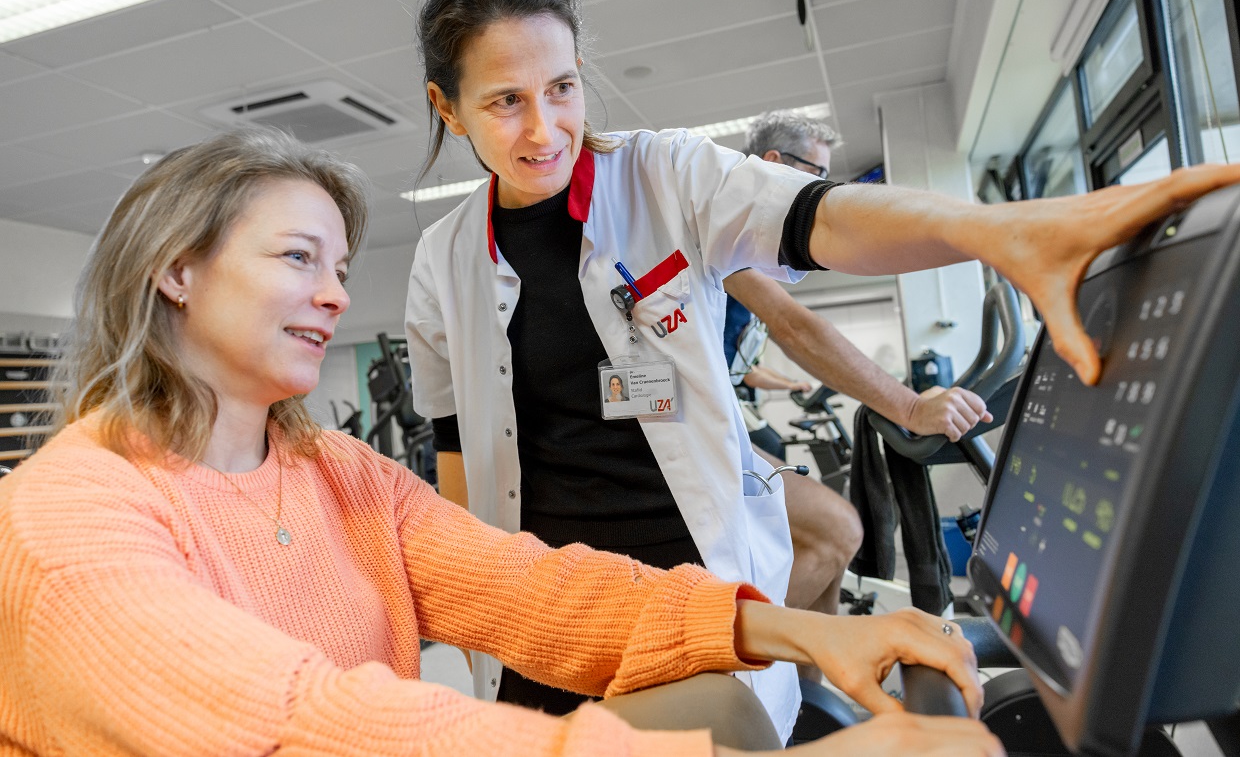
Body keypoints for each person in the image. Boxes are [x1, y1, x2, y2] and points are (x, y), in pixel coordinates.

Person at [403, 0, 1240, 737]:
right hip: (546, 623)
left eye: (560, 89)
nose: (545, 129)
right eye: (506, 101)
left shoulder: (661, 176)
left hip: (696, 600)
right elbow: (458, 475)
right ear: (449, 107)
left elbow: (821, 215)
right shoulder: (441, 263)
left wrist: (996, 229)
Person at [0, 128, 1000, 757]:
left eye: (341, 266)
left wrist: (795, 630)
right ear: (176, 272)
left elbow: (537, 587)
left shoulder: (334, 471)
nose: (336, 293)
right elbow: (298, 720)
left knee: (723, 707)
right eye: (298, 258)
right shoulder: (71, 516)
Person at [720, 111, 993, 630]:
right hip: (670, 426)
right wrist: (910, 406)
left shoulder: (750, 247)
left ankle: (809, 697)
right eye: (816, 173)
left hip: (711, 415)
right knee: (836, 530)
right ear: (774, 164)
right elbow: (794, 328)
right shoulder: (722, 231)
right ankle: (712, 664)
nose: (823, 189)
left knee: (827, 551)